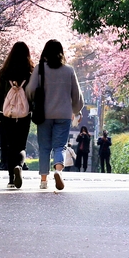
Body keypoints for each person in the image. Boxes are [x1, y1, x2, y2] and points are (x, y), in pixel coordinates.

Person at [26, 39, 84, 191]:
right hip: (63, 114)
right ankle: (58, 171)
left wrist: (33, 101)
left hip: (44, 113)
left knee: (44, 147)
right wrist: (76, 111)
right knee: (60, 146)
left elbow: (30, 90)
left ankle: (44, 180)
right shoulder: (69, 70)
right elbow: (77, 95)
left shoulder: (40, 69)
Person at [0, 41, 33, 189]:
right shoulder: (30, 73)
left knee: (8, 147)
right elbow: (33, 94)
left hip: (6, 114)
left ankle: (11, 179)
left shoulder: (4, 72)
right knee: (20, 146)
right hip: (24, 114)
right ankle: (19, 167)